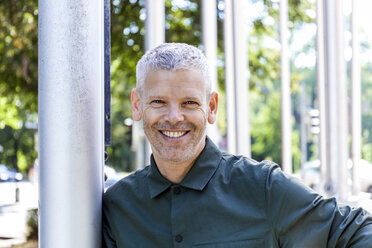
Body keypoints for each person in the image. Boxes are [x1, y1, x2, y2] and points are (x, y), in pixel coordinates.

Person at [103, 43, 372, 248]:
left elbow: (358, 232)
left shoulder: (263, 188)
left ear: (211, 107)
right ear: (137, 106)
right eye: (159, 102)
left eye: (189, 103)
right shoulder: (117, 207)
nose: (174, 117)